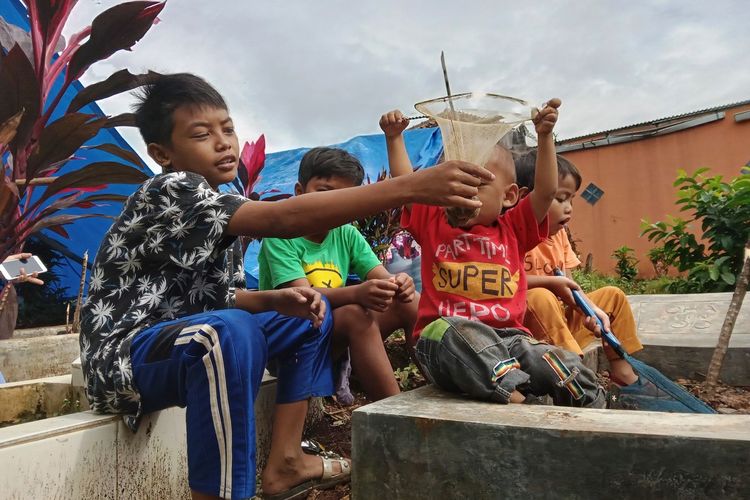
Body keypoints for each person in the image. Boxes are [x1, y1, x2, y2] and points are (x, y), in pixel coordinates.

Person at [78, 73, 494, 500]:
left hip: (185, 337)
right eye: (202, 134)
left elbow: (223, 297)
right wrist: (410, 187)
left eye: (228, 128)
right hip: (128, 357)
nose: (223, 142)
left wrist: (275, 299)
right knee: (226, 334)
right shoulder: (167, 191)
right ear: (161, 153)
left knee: (310, 316)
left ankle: (285, 462)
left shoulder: (219, 202)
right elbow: (282, 221)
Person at [380, 104, 606, 408]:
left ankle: (593, 408)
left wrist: (546, 136)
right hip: (446, 345)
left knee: (555, 361)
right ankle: (520, 401)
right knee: (451, 333)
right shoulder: (433, 221)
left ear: (509, 196)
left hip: (511, 342)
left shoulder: (514, 228)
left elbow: (546, 191)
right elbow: (405, 186)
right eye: (453, 182)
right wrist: (394, 138)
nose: (462, 191)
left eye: (477, 185)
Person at [258, 147, 417, 402]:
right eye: (324, 193)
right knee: (355, 314)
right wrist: (357, 293)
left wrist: (398, 283)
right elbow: (303, 299)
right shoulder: (281, 235)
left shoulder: (346, 233)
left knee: (409, 300)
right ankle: (394, 409)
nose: (332, 205)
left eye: (344, 197)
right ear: (299, 192)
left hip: (332, 336)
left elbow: (380, 276)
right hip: (291, 343)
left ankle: (440, 388)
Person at [515, 150, 654, 394]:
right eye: (560, 199)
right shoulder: (511, 235)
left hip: (561, 328)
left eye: (571, 199)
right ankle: (573, 376)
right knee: (539, 296)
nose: (569, 208)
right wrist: (548, 283)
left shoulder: (558, 236)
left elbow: (569, 286)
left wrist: (590, 310)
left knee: (613, 296)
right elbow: (507, 280)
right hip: (530, 337)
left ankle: (621, 370)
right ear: (526, 198)